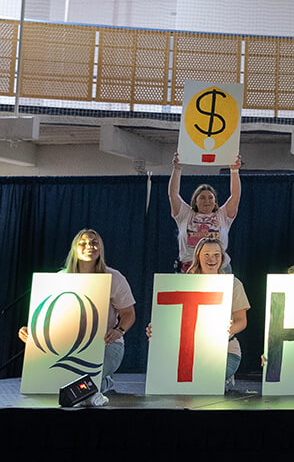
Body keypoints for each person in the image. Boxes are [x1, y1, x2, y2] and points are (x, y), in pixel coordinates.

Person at [17, 229, 135, 397]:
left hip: (106, 345)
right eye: (83, 243)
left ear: (100, 248)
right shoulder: (60, 278)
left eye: (94, 243)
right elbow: (48, 317)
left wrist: (118, 331)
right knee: (62, 387)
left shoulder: (114, 277)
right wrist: (31, 331)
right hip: (67, 346)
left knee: (82, 389)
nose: (90, 246)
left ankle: (103, 382)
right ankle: (101, 383)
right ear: (75, 249)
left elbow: (129, 313)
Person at [145, 237, 248, 388]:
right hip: (188, 353)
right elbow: (171, 319)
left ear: (222, 258)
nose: (211, 259)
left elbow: (241, 321)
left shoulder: (234, 284)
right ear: (198, 257)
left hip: (225, 350)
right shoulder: (183, 283)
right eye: (206, 254)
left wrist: (227, 330)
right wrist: (157, 328)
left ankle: (224, 379)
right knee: (177, 387)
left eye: (216, 255)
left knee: (207, 383)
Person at [169, 152, 242, 272]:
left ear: (215, 201)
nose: (206, 201)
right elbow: (173, 194)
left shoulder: (222, 215)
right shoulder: (185, 214)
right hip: (190, 269)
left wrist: (234, 171)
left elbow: (235, 196)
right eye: (202, 197)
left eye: (210, 197)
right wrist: (177, 168)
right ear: (195, 201)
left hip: (219, 269)